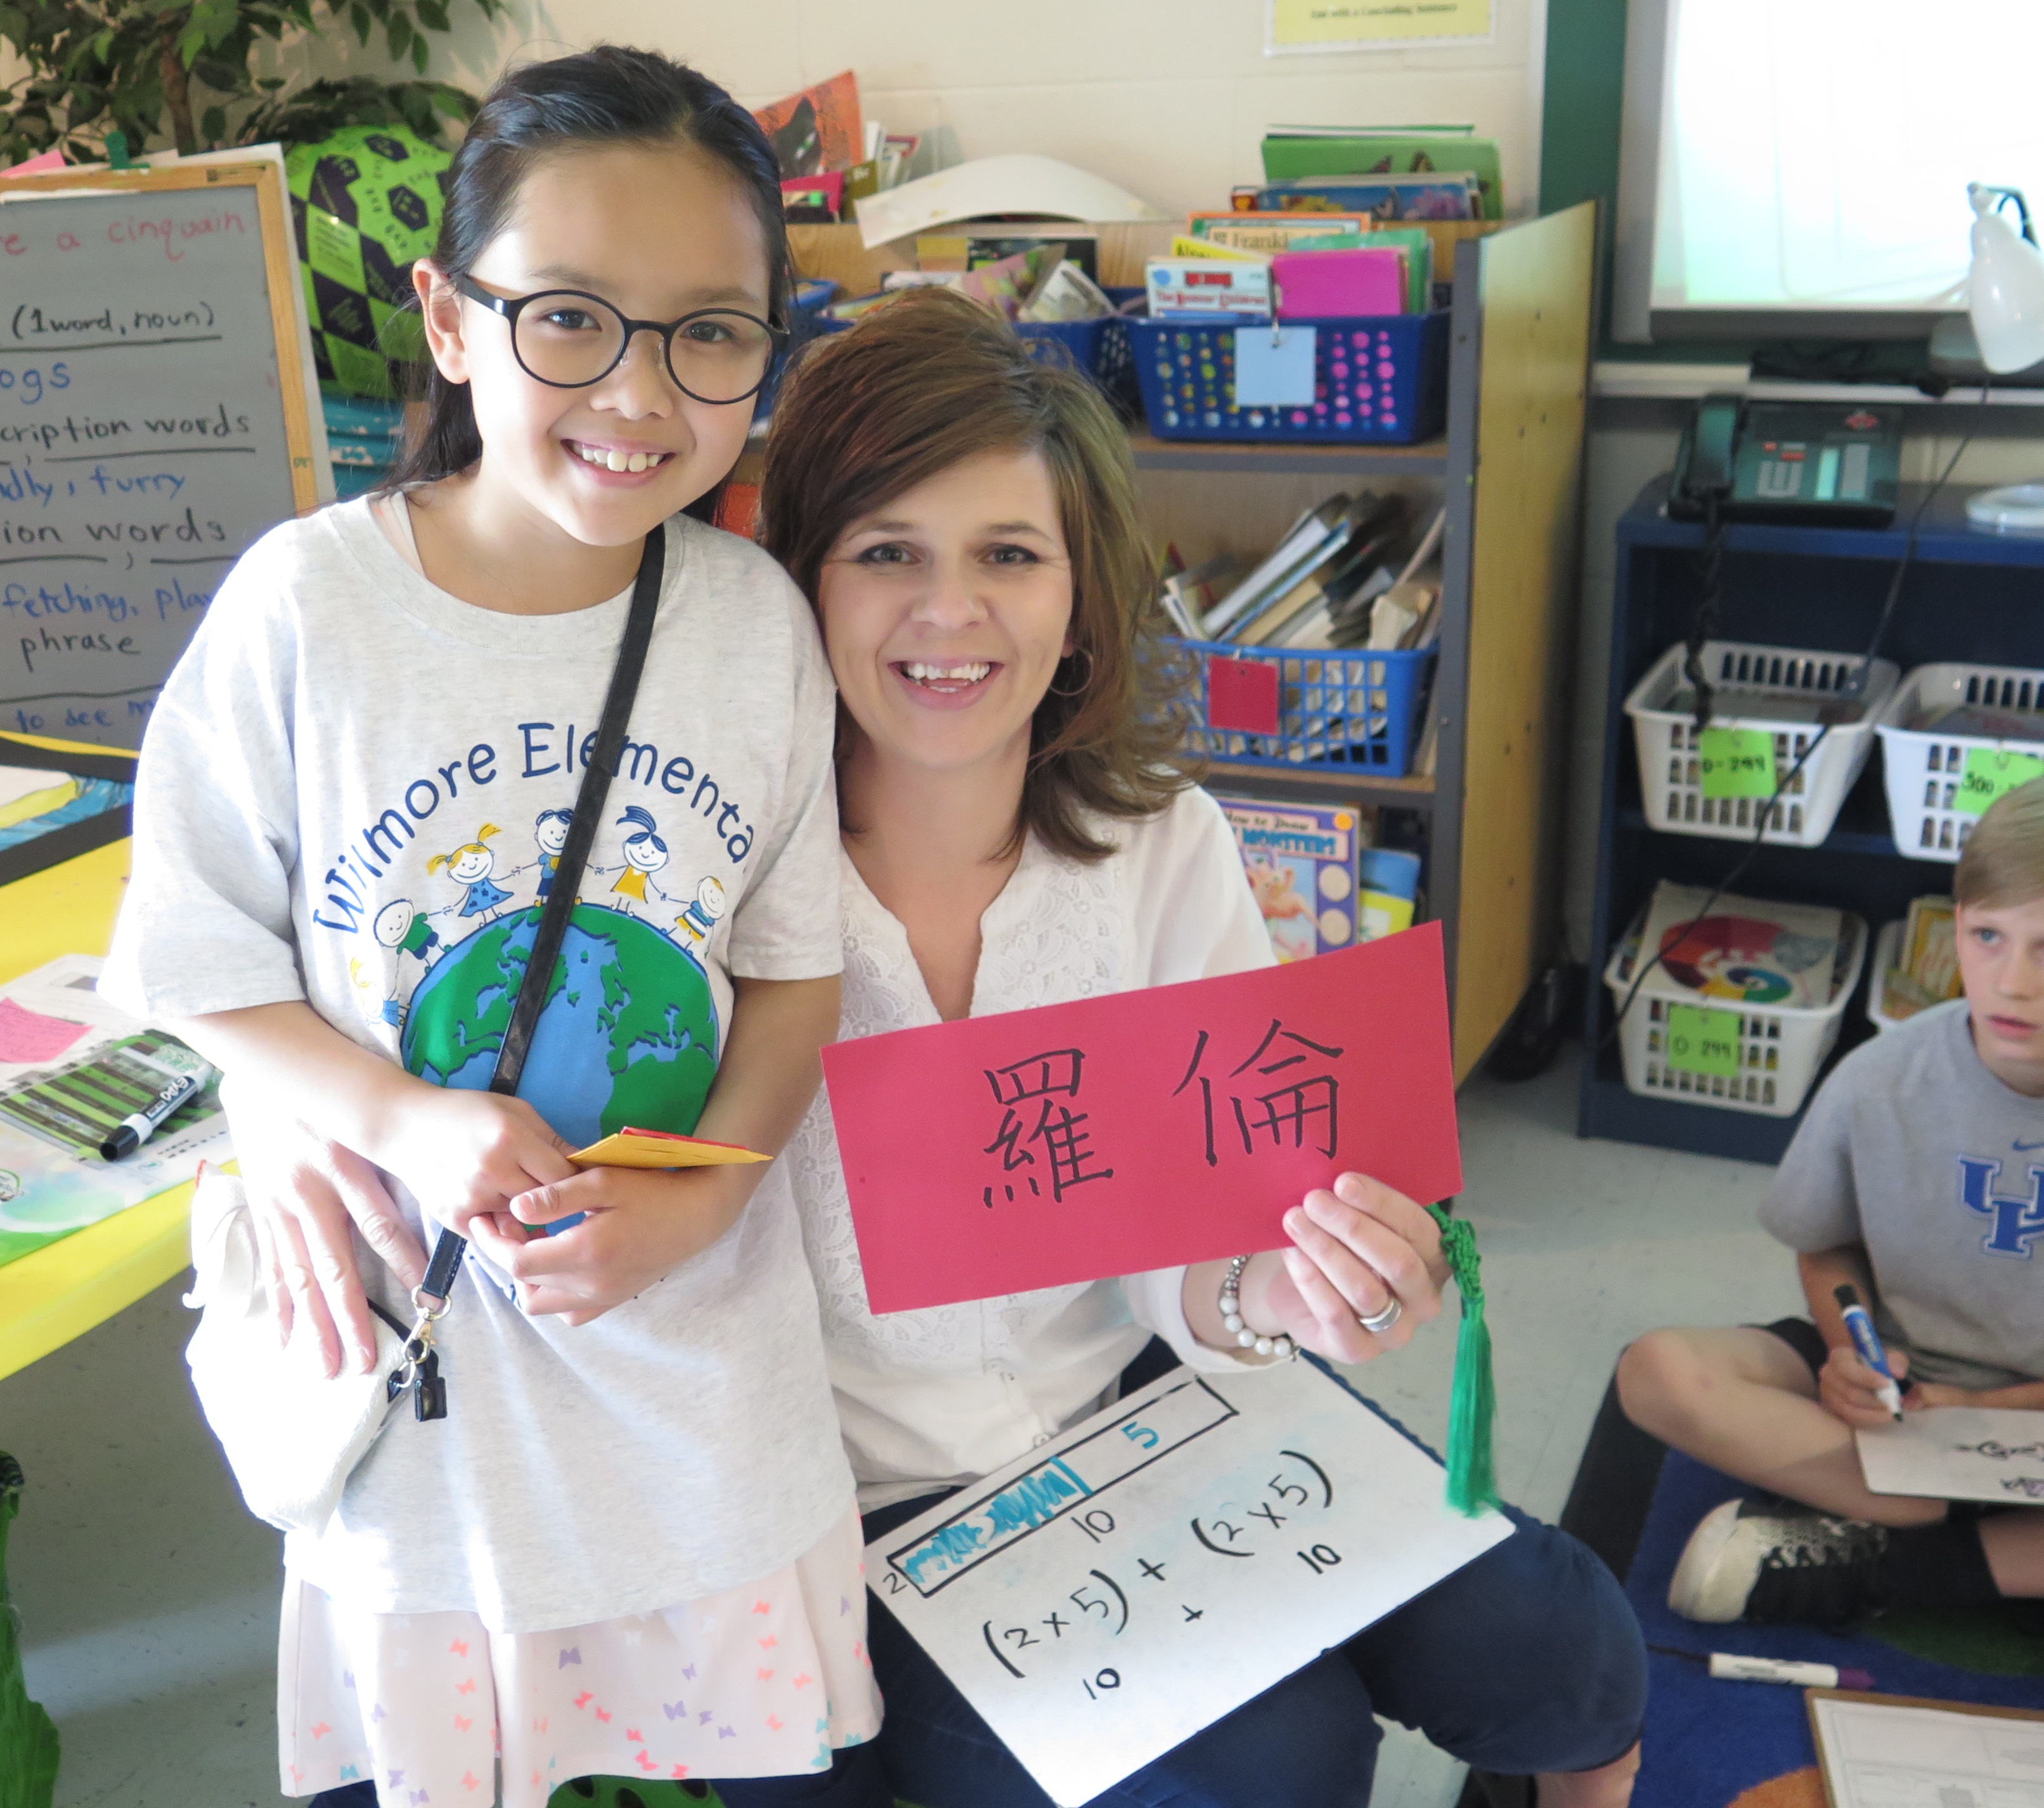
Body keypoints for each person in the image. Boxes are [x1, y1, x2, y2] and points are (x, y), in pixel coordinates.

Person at [732, 289, 1646, 1808]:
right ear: (800, 580)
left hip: (1144, 1405)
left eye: (1007, 555)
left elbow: (1207, 1227)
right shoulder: (723, 885)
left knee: (1568, 1652)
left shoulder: (1160, 845)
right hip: (872, 1508)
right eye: (885, 552)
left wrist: (1286, 1286)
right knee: (1271, 1768)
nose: (947, 612)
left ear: (1083, 593)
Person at [103, 47, 881, 1808]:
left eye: (710, 333)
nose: (639, 391)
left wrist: (705, 1198)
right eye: (571, 319)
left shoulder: (750, 620)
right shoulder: (308, 609)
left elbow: (791, 973)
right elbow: (195, 962)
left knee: (785, 1774)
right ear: (450, 322)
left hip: (699, 1372)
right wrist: (402, 1120)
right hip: (430, 1375)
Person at [1618, 777, 2044, 1626]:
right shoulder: (1879, 1076)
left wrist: (1982, 1412)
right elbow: (1826, 1247)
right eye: (1988, 937)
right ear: (1956, 924)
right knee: (1657, 1371)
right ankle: (1974, 1536)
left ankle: (1904, 1562)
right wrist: (1852, 1352)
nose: (2014, 982)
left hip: (2024, 1414)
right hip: (1897, 1392)